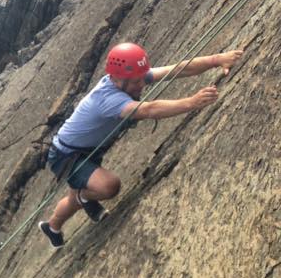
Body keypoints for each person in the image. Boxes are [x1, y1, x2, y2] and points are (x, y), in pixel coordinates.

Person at [39, 42, 244, 248]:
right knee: (109, 186)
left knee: (75, 196)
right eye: (136, 82)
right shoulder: (109, 99)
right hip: (67, 155)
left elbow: (175, 70)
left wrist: (217, 60)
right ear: (117, 80)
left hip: (85, 148)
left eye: (141, 79)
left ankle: (52, 226)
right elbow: (149, 110)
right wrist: (191, 102)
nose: (141, 85)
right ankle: (84, 196)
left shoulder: (127, 78)